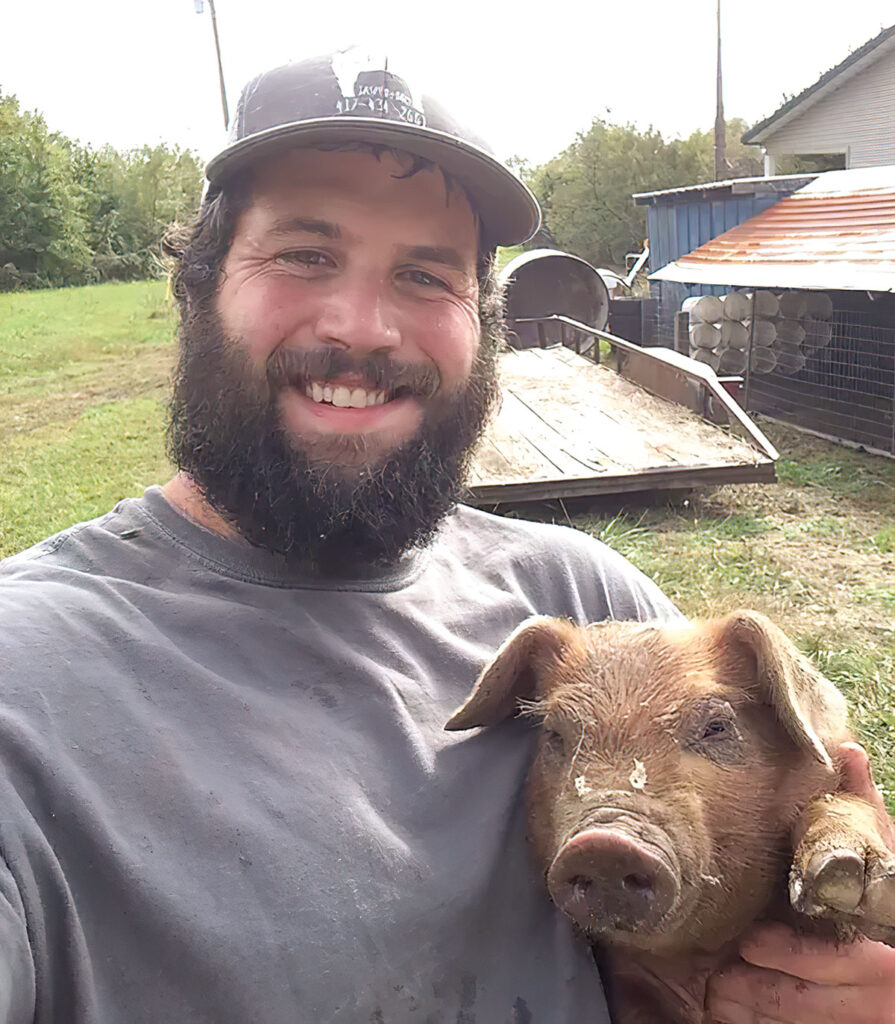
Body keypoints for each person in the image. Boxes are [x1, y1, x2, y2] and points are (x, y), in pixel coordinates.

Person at [0, 51, 892, 1024]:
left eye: (425, 274)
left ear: (482, 325)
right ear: (198, 288)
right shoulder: (29, 679)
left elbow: (801, 828)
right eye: (305, 254)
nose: (363, 326)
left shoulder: (591, 603)